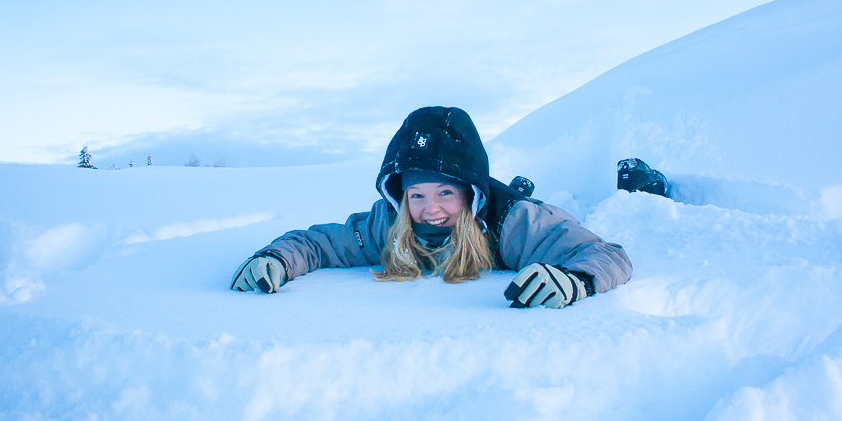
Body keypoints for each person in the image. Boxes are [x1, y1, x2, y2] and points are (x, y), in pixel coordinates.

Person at [231, 106, 631, 308]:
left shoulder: (514, 223)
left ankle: (519, 188)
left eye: (446, 193)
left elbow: (605, 254)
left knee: (535, 206)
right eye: (416, 195)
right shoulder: (387, 225)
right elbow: (319, 243)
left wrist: (576, 280)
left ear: (471, 194)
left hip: (518, 207)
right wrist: (277, 258)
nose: (431, 209)